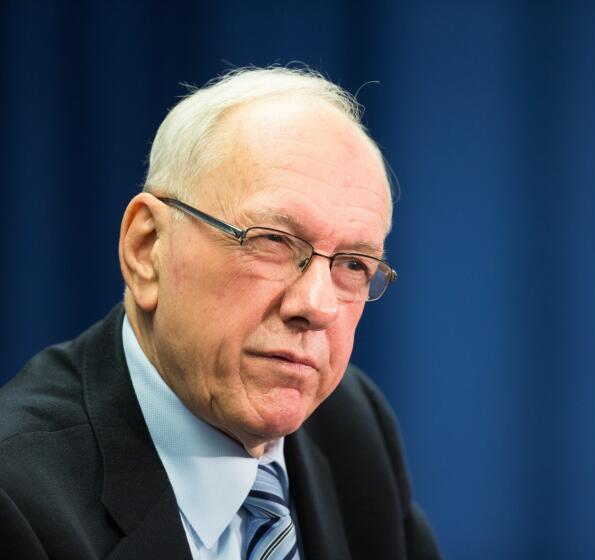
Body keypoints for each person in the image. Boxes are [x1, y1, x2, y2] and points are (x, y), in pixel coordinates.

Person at [0, 67, 441, 559]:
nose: (316, 306)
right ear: (147, 249)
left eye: (354, 264)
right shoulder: (17, 503)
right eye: (272, 241)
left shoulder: (352, 426)